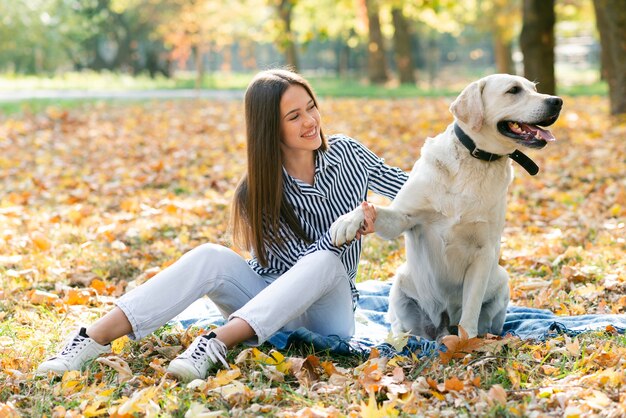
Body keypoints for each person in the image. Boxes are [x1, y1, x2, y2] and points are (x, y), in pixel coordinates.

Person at [36, 68, 409, 382]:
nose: (310, 121)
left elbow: (411, 190)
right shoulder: (257, 190)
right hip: (263, 303)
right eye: (294, 116)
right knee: (210, 255)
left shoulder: (349, 155)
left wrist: (393, 210)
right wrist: (336, 235)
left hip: (328, 314)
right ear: (270, 128)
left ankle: (216, 343)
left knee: (327, 263)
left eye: (311, 108)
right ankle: (90, 339)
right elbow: (288, 271)